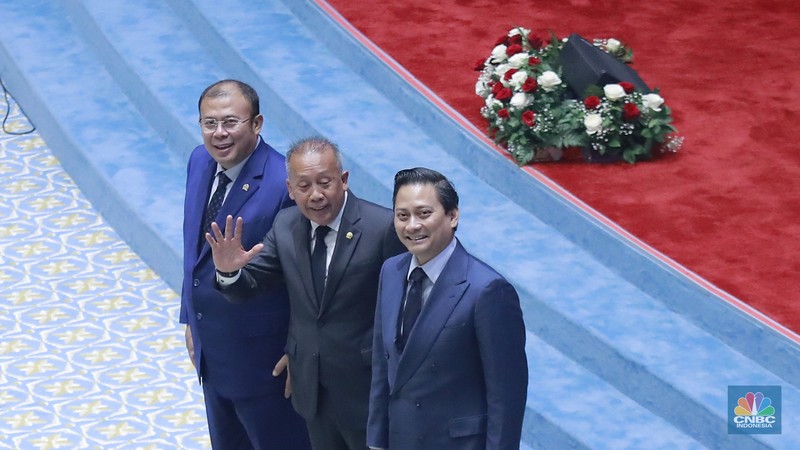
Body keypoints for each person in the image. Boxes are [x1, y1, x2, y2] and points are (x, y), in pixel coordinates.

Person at [206, 136, 406, 450]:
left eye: (325, 183)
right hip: (311, 392)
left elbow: (405, 311)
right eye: (304, 186)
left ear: (343, 180)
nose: (315, 195)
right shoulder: (286, 225)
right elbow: (251, 285)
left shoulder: (382, 227)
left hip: (367, 393)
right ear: (290, 190)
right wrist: (229, 271)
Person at [179, 79, 310, 449]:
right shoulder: (199, 160)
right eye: (209, 123)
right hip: (213, 357)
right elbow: (194, 248)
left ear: (257, 124)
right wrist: (189, 317)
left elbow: (309, 278)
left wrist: (301, 352)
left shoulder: (283, 185)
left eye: (231, 122)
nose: (219, 134)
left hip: (266, 367)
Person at [367, 167, 528, 450]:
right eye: (402, 216)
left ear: (452, 215)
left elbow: (506, 396)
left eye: (424, 214)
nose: (412, 225)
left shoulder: (487, 290)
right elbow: (384, 367)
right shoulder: (390, 272)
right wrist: (376, 442)